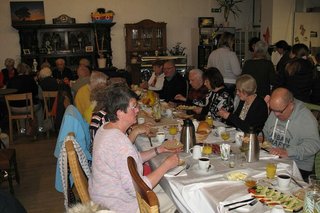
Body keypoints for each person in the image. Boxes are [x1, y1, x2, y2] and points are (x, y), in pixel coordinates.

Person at [89, 85, 180, 213]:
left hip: (105, 195)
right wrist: (166, 165)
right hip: (117, 206)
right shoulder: (120, 142)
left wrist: (158, 150)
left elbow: (130, 160)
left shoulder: (106, 128)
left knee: (170, 187)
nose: (137, 110)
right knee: (178, 198)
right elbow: (136, 189)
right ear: (119, 112)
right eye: (134, 106)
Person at [263, 87, 320, 180]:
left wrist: (287, 152)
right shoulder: (276, 110)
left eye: (279, 111)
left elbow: (314, 145)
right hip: (273, 160)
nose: (276, 114)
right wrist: (261, 138)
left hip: (297, 167)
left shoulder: (306, 118)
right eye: (273, 109)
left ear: (291, 105)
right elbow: (265, 131)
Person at [7, 63, 44, 134]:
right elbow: (35, 92)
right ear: (26, 70)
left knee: (20, 106)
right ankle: (40, 128)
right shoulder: (30, 79)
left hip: (14, 108)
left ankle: (22, 130)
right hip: (29, 107)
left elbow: (8, 92)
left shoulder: (11, 80)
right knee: (39, 107)